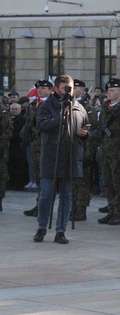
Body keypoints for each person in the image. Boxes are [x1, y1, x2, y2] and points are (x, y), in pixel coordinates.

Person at [33, 75, 90, 244]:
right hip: (52, 156)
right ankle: (42, 227)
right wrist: (60, 120)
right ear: (56, 89)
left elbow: (88, 127)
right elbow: (41, 125)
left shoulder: (79, 107)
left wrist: (85, 134)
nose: (68, 91)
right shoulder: (46, 106)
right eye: (65, 88)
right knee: (46, 195)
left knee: (66, 197)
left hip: (71, 156)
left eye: (70, 88)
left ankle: (61, 230)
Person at [95, 78, 120, 226]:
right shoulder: (106, 107)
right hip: (106, 150)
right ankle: (111, 209)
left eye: (112, 90)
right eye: (108, 90)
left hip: (118, 150)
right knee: (108, 183)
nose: (109, 93)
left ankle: (118, 212)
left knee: (119, 183)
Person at [21, 80, 54, 216]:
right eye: (39, 88)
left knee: (46, 177)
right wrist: (24, 135)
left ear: (51, 90)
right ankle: (39, 205)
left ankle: (46, 207)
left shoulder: (53, 104)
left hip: (46, 145)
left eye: (43, 88)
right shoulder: (33, 104)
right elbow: (28, 122)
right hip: (34, 144)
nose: (40, 90)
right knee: (37, 176)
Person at [70, 79, 98, 221]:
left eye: (76, 87)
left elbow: (91, 125)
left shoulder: (86, 107)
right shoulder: (67, 105)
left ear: (82, 90)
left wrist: (82, 131)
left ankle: (81, 210)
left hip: (83, 147)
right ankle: (72, 208)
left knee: (82, 182)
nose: (73, 90)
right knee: (71, 182)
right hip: (69, 147)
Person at [0, 100, 10, 210]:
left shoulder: (2, 110)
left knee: (1, 174)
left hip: (1, 147)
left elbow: (7, 131)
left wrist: (2, 147)